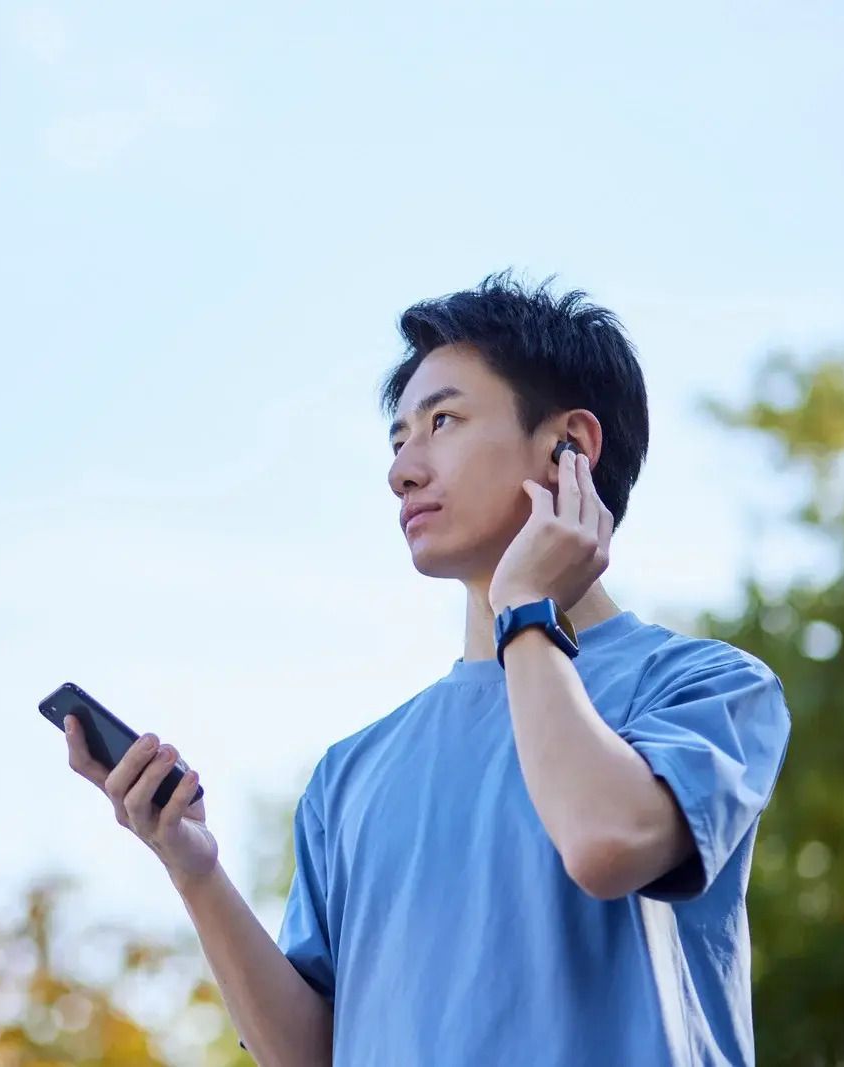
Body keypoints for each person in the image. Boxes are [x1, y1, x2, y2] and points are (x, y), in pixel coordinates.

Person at [61, 271, 792, 1066]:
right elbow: (314, 1055)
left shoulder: (709, 688)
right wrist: (193, 870)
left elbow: (605, 841)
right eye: (399, 436)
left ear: (569, 447)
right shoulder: (349, 775)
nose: (402, 469)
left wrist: (525, 607)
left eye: (443, 420)